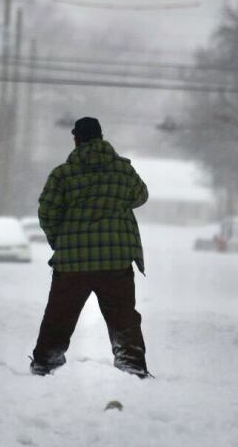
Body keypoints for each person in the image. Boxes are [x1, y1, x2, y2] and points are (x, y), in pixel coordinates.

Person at [30, 116, 150, 378]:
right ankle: (131, 362)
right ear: (101, 138)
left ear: (76, 139)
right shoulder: (122, 170)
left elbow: (47, 212)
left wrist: (59, 240)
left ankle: (46, 361)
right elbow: (141, 196)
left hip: (72, 262)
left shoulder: (63, 174)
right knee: (123, 317)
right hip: (116, 259)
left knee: (60, 314)